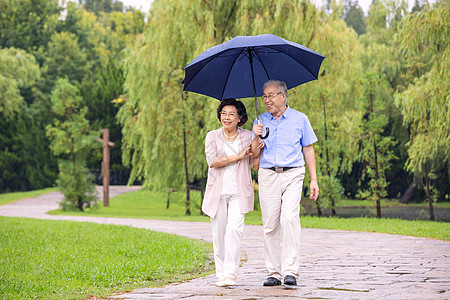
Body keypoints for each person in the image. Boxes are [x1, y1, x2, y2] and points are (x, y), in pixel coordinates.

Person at [253, 80, 319, 287]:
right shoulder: (260, 121)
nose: (266, 100)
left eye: (270, 95)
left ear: (283, 96)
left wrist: (314, 179)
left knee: (290, 218)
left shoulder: (300, 119)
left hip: (293, 174)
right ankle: (273, 272)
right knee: (270, 224)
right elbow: (253, 156)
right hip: (268, 174)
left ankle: (290, 271)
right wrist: (256, 138)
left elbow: (308, 149)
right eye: (264, 96)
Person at [203, 98, 263, 287]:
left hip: (239, 191)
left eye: (231, 114)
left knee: (234, 231)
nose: (226, 118)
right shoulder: (212, 136)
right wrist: (238, 156)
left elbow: (254, 163)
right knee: (218, 234)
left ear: (240, 118)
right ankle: (220, 273)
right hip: (217, 192)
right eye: (223, 113)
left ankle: (230, 274)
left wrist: (256, 138)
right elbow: (213, 161)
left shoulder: (247, 135)